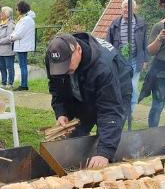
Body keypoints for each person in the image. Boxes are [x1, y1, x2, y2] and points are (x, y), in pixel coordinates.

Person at [45, 33, 132, 169]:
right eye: (61, 67)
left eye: (67, 65)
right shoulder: (54, 58)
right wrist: (62, 112)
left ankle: (106, 167)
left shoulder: (103, 67)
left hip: (117, 90)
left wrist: (104, 152)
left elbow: (110, 111)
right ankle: (76, 167)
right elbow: (56, 87)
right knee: (75, 133)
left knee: (104, 142)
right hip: (84, 89)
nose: (65, 70)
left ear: (78, 50)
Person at [106, 0, 147, 113]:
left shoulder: (141, 23)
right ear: (121, 9)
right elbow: (108, 42)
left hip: (135, 60)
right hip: (120, 62)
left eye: (129, 7)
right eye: (124, 6)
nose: (126, 9)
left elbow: (144, 42)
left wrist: (145, 60)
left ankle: (129, 113)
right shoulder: (115, 24)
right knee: (120, 87)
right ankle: (120, 110)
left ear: (134, 9)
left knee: (133, 87)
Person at [9, 1, 36, 91]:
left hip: (22, 45)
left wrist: (11, 37)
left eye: (17, 9)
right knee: (23, 65)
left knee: (23, 65)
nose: (16, 11)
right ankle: (23, 84)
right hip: (23, 44)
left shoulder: (26, 20)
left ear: (21, 10)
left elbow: (19, 34)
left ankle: (24, 85)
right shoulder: (25, 18)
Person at [0, 6, 16, 88]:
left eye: (2, 13)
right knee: (2, 67)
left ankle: (10, 83)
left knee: (9, 68)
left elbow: (9, 38)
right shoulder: (1, 24)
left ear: (7, 14)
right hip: (0, 50)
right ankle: (3, 83)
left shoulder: (11, 24)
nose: (0, 14)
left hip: (8, 50)